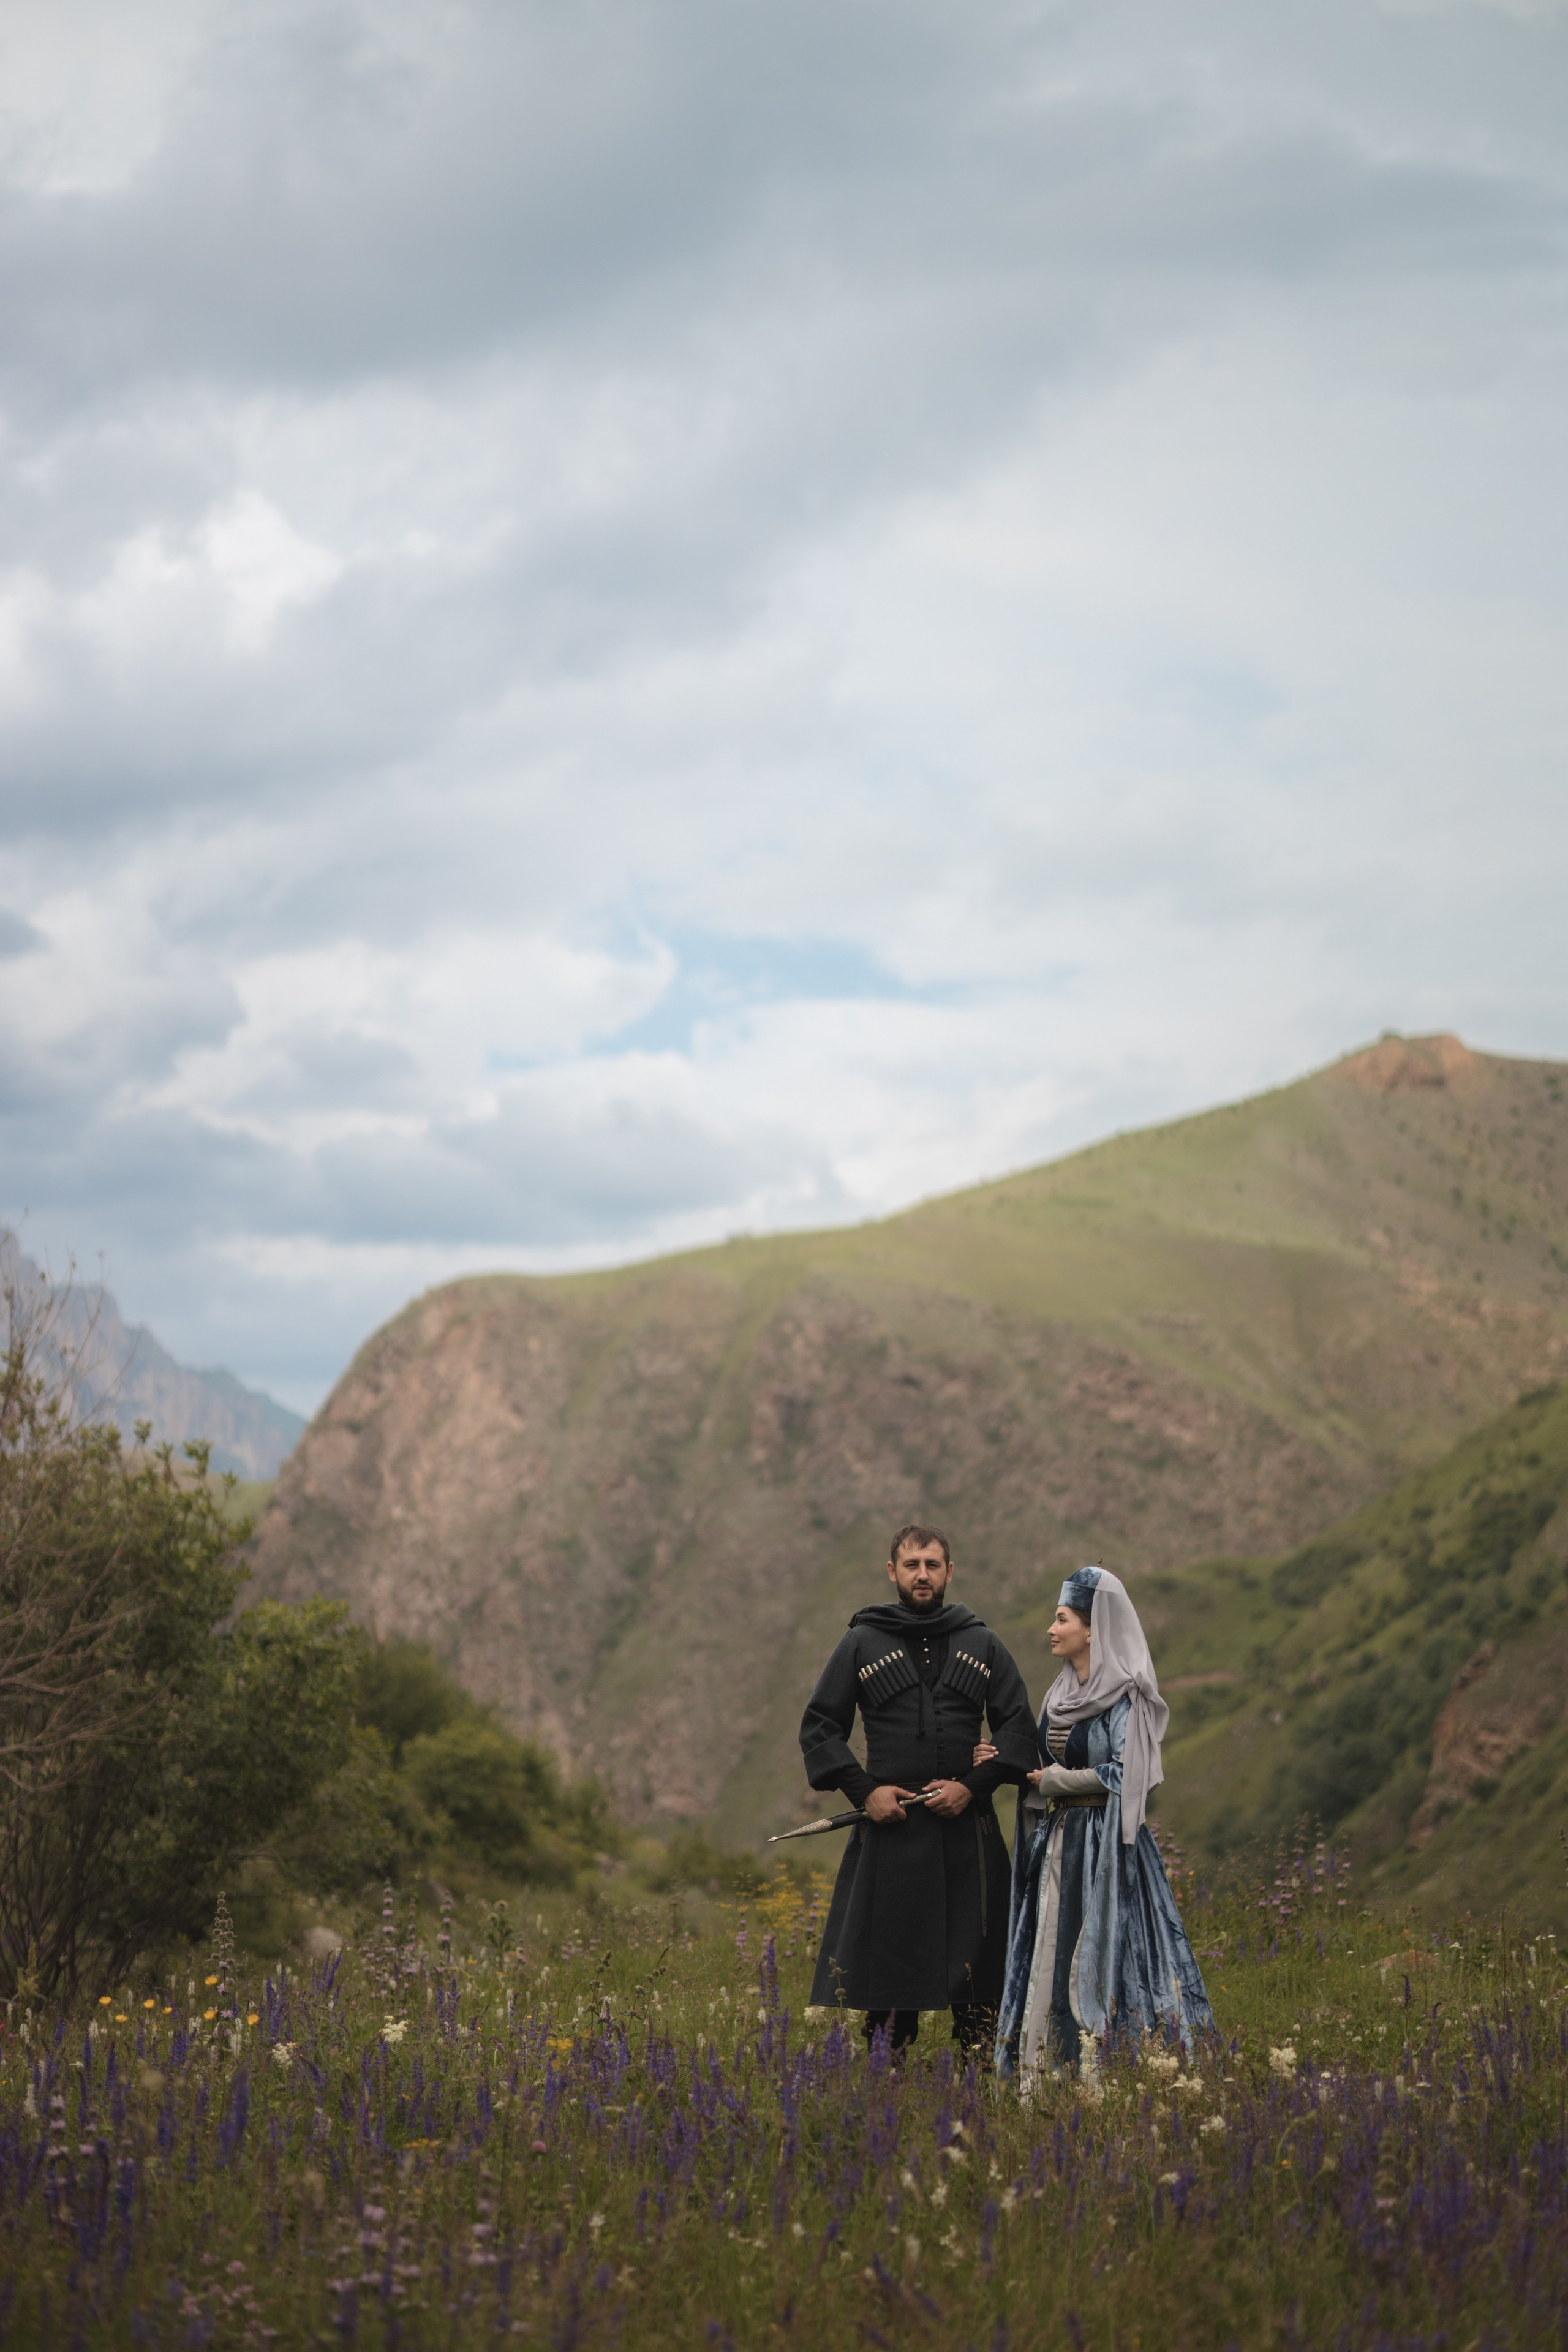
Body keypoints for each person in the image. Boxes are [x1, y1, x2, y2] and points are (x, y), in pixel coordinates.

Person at [797, 1522, 1039, 2056]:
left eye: (933, 1565)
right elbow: (820, 1728)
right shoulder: (861, 1641)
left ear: (950, 1571)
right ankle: (889, 2084)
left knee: (979, 1970)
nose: (922, 1575)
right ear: (893, 1572)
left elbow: (1020, 1729)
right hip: (892, 1828)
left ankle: (979, 2084)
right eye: (912, 1565)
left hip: (967, 1831)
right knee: (890, 1967)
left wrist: (972, 1787)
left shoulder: (983, 1642)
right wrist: (867, 1793)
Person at [975, 1564, 1212, 2084]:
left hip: (1109, 1847)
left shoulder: (1126, 1698)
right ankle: (1046, 2073)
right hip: (1061, 1846)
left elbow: (1131, 1775)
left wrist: (1055, 1780)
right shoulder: (1058, 1697)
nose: (1051, 1630)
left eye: (1061, 1619)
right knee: (1049, 1955)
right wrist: (1001, 1759)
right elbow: (1039, 1767)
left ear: (1091, 1629)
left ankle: (1122, 2070)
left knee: (1117, 1952)